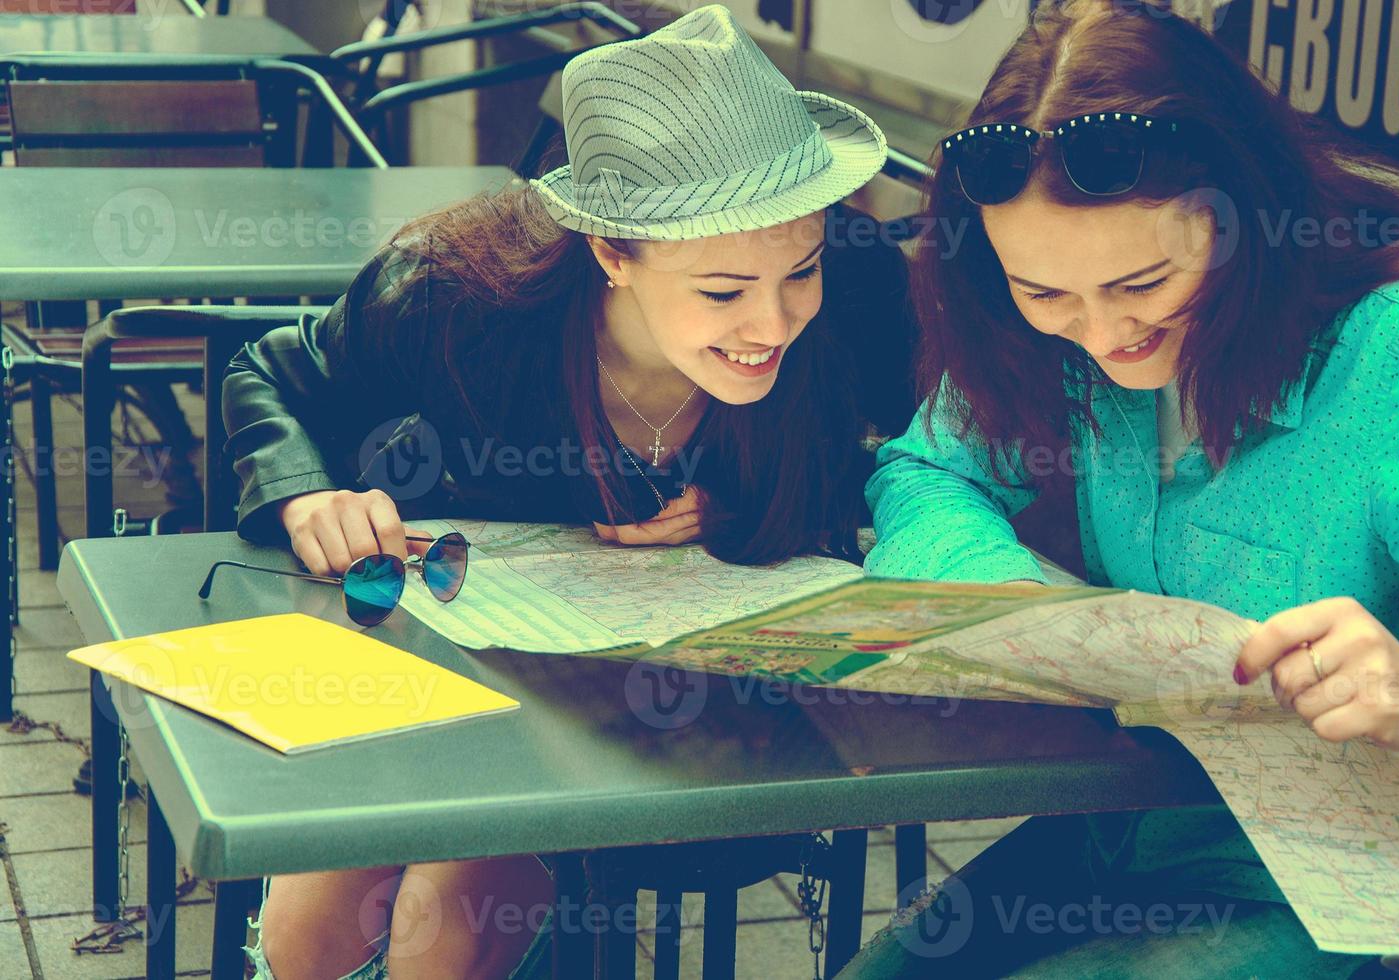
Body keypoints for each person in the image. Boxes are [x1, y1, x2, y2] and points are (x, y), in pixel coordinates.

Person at [223, 6, 916, 978]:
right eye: (721, 291)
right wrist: (306, 496)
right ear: (612, 252)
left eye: (796, 271)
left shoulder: (855, 289)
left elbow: (911, 465)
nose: (773, 320)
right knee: (308, 919)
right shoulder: (456, 296)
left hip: (712, 717)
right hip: (470, 669)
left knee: (444, 914)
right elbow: (275, 373)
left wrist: (756, 510)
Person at [844, 0, 1399, 975]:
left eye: (1142, 285)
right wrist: (1017, 601)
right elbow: (926, 468)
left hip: (1362, 880)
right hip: (1132, 820)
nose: (1099, 337)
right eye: (1045, 292)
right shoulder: (1040, 334)